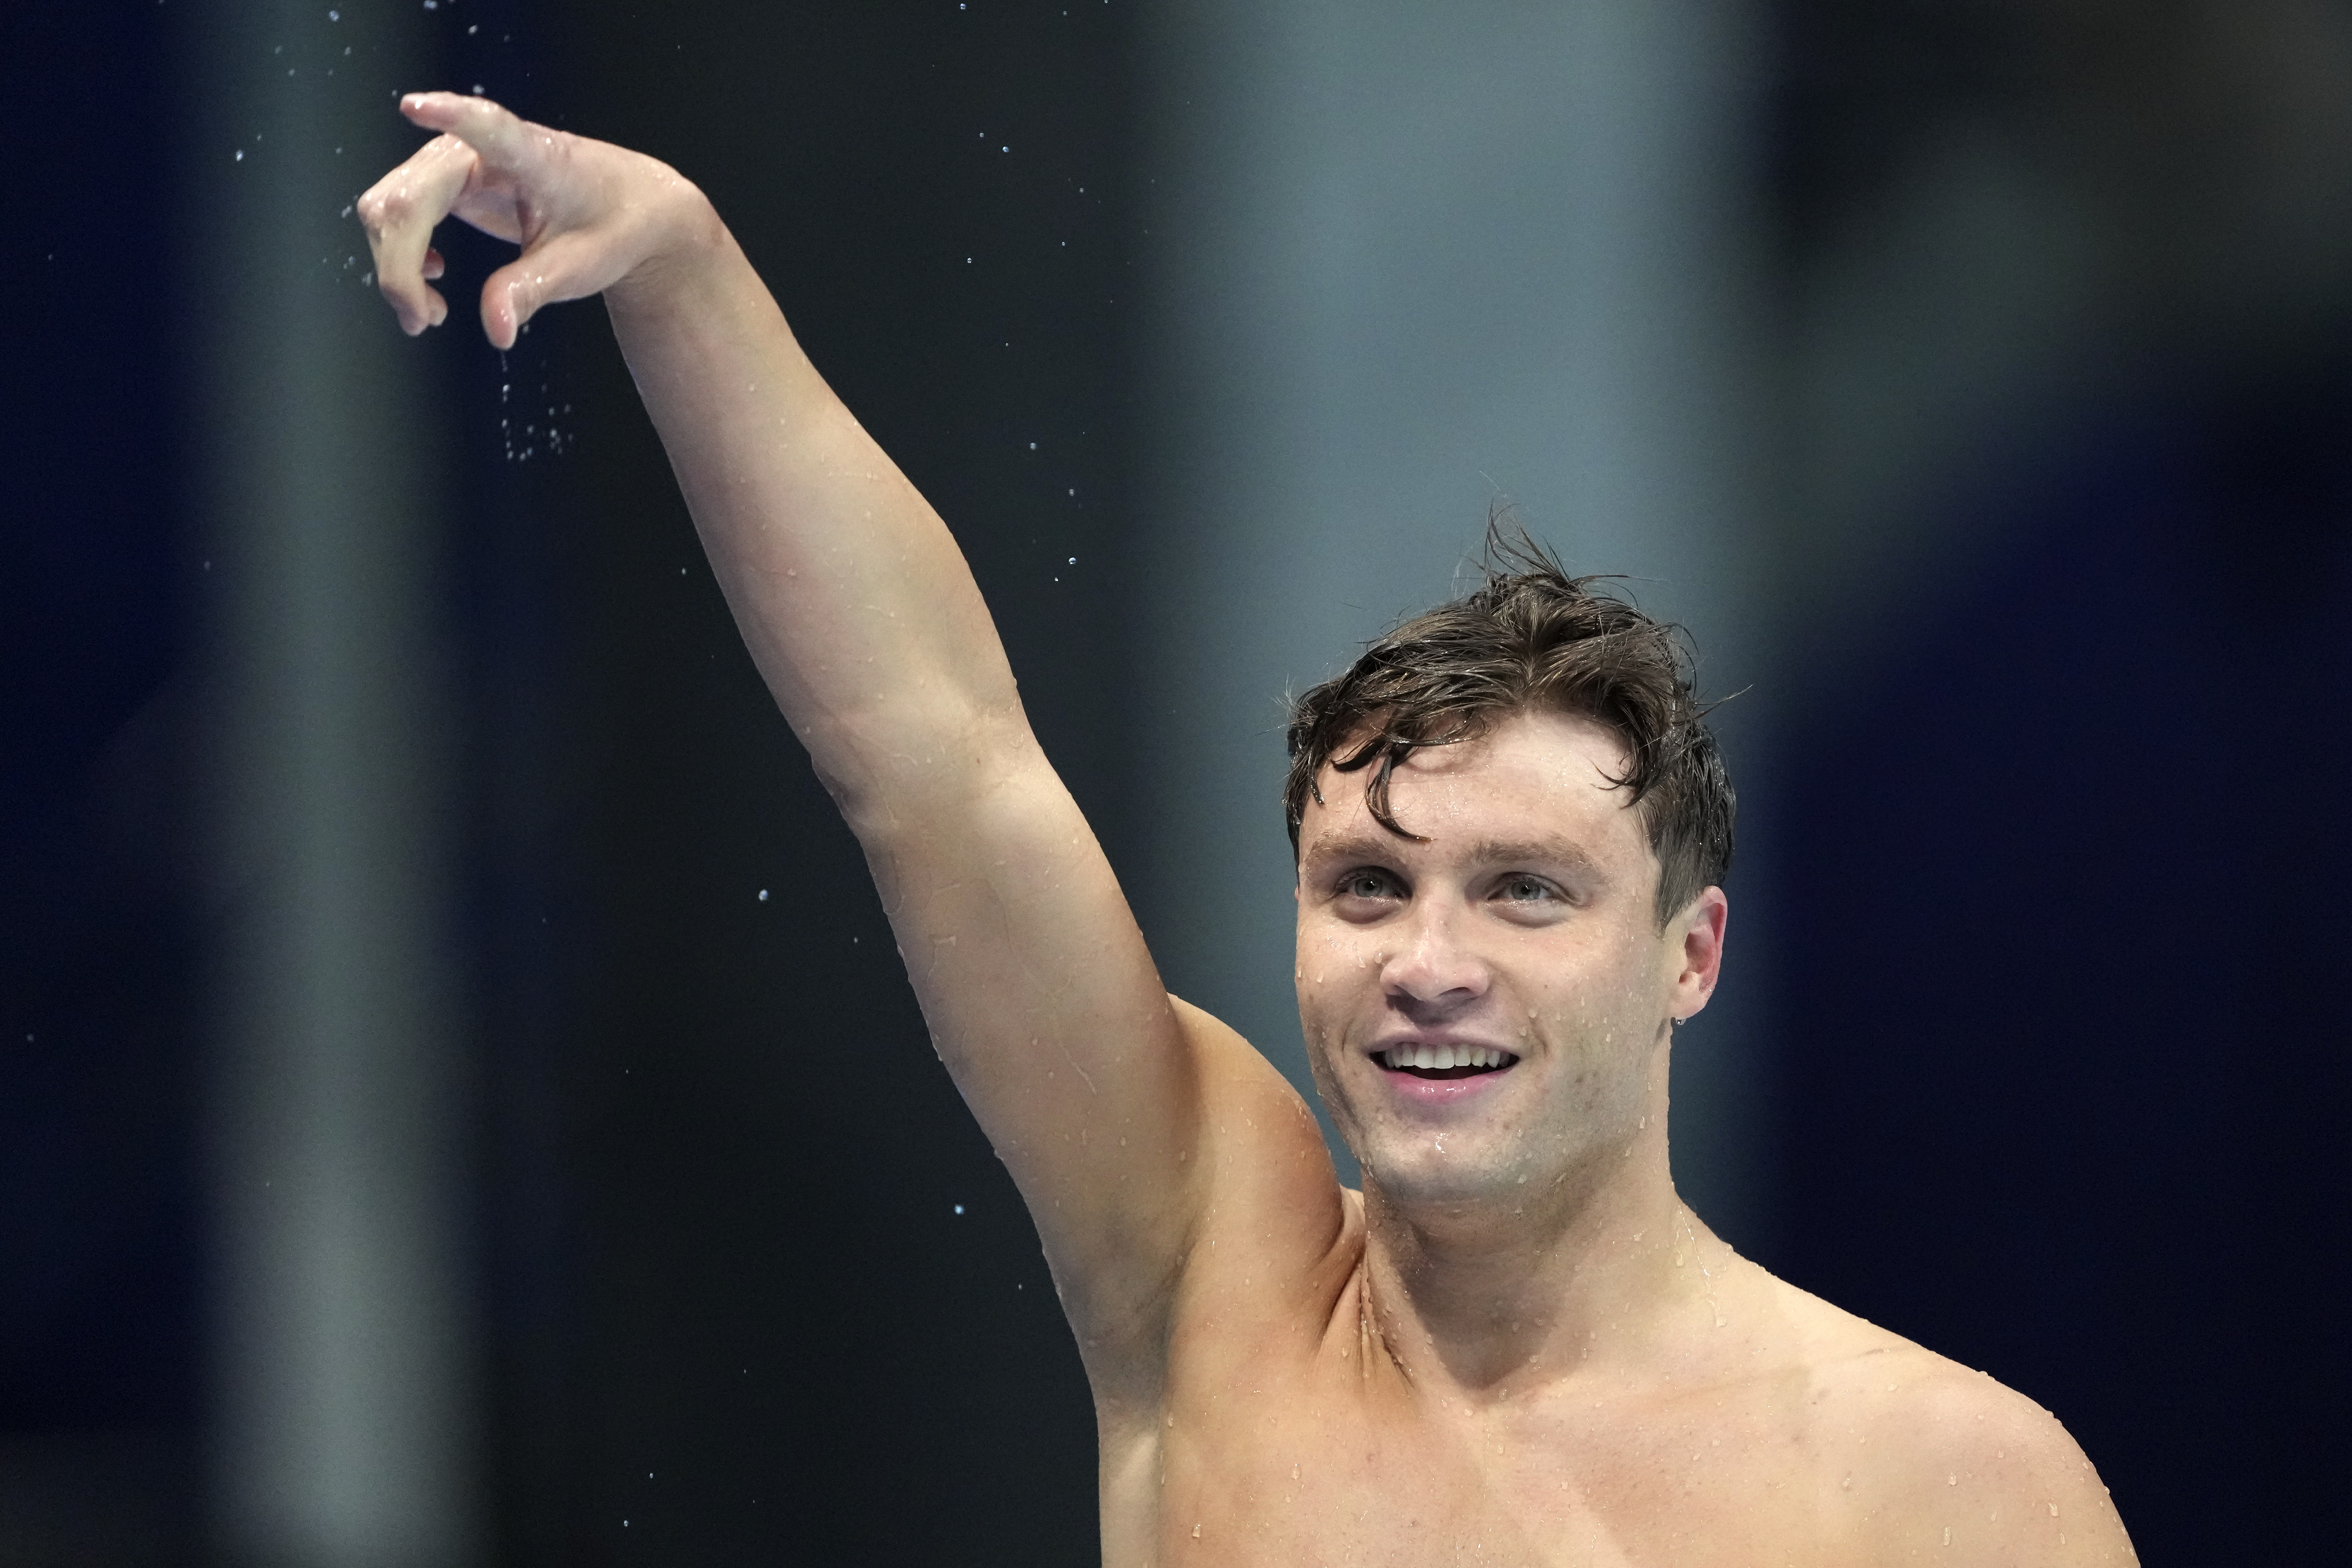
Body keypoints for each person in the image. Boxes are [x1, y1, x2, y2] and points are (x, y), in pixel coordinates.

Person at [359, 92, 2137, 1565]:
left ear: (1691, 954)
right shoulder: (1207, 1278)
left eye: (1524, 892)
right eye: (1366, 886)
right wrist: (682, 269)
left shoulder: (1944, 1490)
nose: (1428, 963)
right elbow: (933, 760)